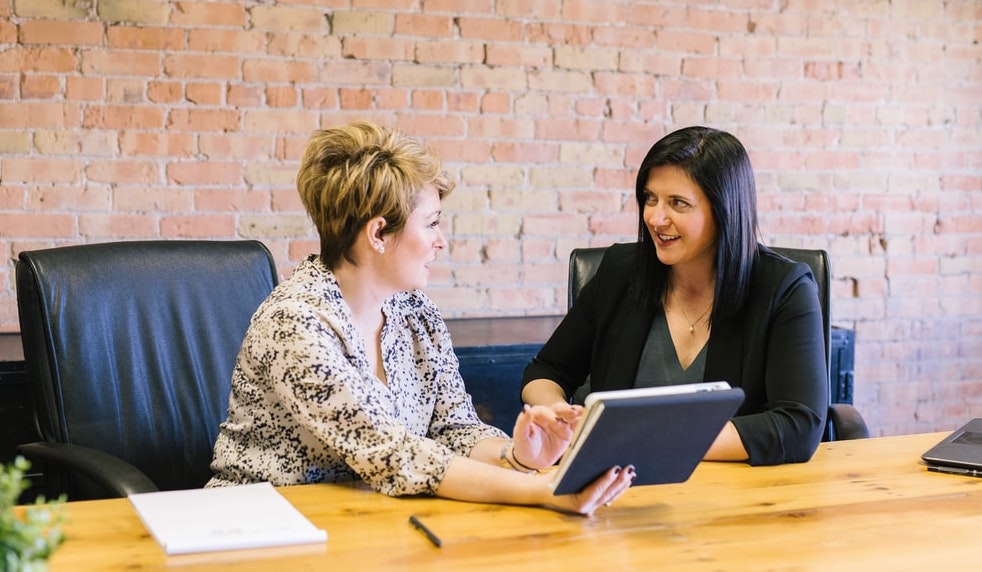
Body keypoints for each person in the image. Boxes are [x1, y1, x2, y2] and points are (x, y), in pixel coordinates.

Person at [206, 121, 635, 515]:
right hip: (259, 527)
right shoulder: (296, 323)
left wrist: (519, 457)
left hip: (369, 523)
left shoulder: (415, 311)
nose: (441, 241)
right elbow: (394, 454)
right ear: (378, 234)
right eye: (431, 224)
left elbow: (454, 428)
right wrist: (545, 490)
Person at [521, 126, 828, 466]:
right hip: (616, 488)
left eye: (678, 203)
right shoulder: (621, 272)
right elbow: (546, 370)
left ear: (724, 209)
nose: (655, 217)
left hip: (735, 494)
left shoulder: (785, 288)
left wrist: (650, 440)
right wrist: (556, 416)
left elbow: (799, 424)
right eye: (650, 199)